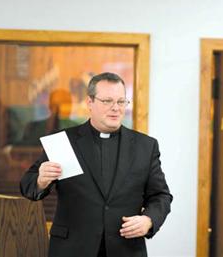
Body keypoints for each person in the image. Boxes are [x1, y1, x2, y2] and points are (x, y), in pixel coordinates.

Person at [20, 72, 172, 257]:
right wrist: (40, 181)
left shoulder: (145, 146)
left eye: (121, 101)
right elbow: (27, 186)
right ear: (90, 103)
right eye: (107, 101)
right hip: (71, 249)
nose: (115, 108)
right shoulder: (64, 141)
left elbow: (160, 196)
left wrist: (149, 220)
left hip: (125, 250)